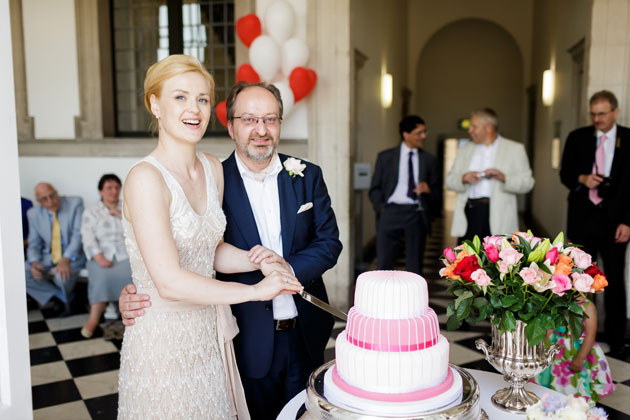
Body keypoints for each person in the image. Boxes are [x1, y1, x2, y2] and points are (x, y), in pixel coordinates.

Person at [120, 80, 342, 419]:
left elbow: (329, 243)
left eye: (270, 119)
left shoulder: (308, 175)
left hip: (305, 331)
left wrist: (285, 270)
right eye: (249, 120)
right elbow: (185, 245)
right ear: (230, 126)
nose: (261, 130)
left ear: (280, 124)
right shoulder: (211, 177)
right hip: (243, 334)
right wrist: (137, 288)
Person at [560, 90, 630, 358]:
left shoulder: (629, 138)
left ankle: (616, 339)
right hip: (582, 218)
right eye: (593, 113)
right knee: (581, 277)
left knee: (612, 279)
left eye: (602, 113)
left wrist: (628, 222)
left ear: (615, 112)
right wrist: (582, 178)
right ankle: (580, 332)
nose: (597, 118)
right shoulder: (578, 137)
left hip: (616, 222)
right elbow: (565, 173)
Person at [446, 108, 534, 241]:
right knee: (467, 260)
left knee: (497, 261)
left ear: (489, 127)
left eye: (474, 126)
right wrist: (463, 178)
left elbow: (528, 183)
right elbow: (449, 180)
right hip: (469, 214)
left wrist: (504, 178)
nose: (470, 130)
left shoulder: (515, 149)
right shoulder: (464, 151)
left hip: (500, 217)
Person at [368, 115, 440, 275]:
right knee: (384, 262)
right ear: (405, 134)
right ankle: (383, 297)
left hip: (416, 213)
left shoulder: (429, 160)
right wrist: (381, 207)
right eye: (419, 132)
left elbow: (438, 192)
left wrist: (428, 189)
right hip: (389, 212)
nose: (424, 136)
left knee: (415, 265)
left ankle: (413, 299)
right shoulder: (385, 157)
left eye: (424, 132)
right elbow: (375, 188)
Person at [79, 174, 132, 338]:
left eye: (117, 187)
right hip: (101, 255)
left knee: (134, 276)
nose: (114, 191)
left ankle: (130, 319)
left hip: (126, 255)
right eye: (109, 187)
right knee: (101, 278)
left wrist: (123, 218)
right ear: (101, 191)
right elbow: (87, 236)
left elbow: (139, 233)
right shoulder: (91, 212)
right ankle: (94, 319)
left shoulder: (128, 208)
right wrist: (99, 257)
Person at [533, 298, 615, 402]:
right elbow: (549, 328)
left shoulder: (587, 306)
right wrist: (542, 348)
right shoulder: (558, 303)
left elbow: (590, 335)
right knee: (551, 381)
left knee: (574, 384)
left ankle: (575, 406)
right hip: (557, 348)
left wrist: (580, 358)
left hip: (578, 349)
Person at [25, 183, 86, 316]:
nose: (51, 201)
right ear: (39, 201)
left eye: (52, 195)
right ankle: (63, 298)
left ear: (56, 192)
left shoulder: (75, 203)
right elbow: (34, 244)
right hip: (49, 255)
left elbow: (78, 236)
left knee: (61, 277)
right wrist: (34, 262)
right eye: (44, 199)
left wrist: (65, 260)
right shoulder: (33, 214)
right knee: (23, 273)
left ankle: (63, 300)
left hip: (72, 255)